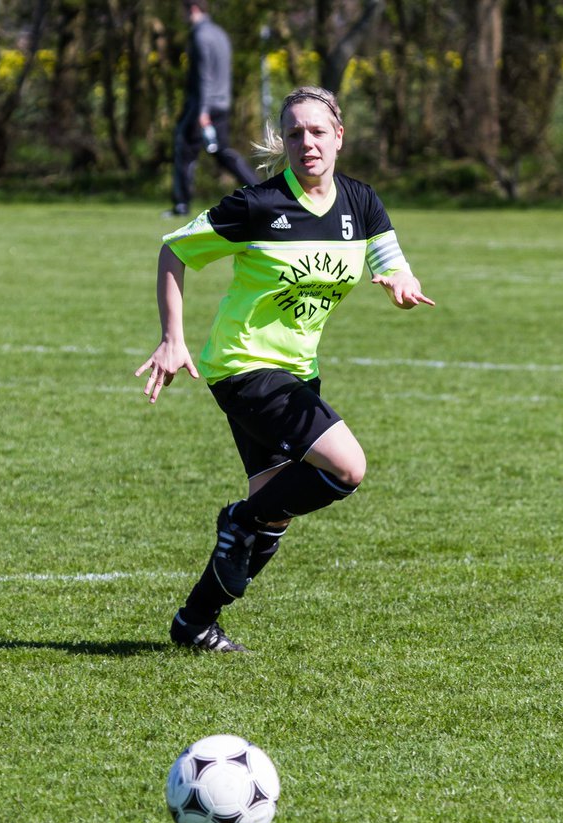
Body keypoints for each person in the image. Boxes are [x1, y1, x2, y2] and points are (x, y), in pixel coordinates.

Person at [136, 85, 435, 652]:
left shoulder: (360, 202)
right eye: (295, 133)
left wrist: (403, 284)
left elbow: (393, 261)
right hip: (244, 366)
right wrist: (172, 338)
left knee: (272, 520)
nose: (307, 143)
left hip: (299, 372)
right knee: (347, 468)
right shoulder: (258, 205)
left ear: (339, 136)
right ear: (284, 141)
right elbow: (175, 249)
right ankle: (239, 521)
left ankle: (194, 622)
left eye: (318, 131)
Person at [168, 0, 260, 217]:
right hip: (221, 103)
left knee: (185, 149)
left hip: (203, 106)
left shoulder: (200, 36)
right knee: (222, 151)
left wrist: (202, 111)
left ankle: (181, 204)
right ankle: (258, 189)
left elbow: (204, 77)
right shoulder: (220, 34)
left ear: (191, 9)